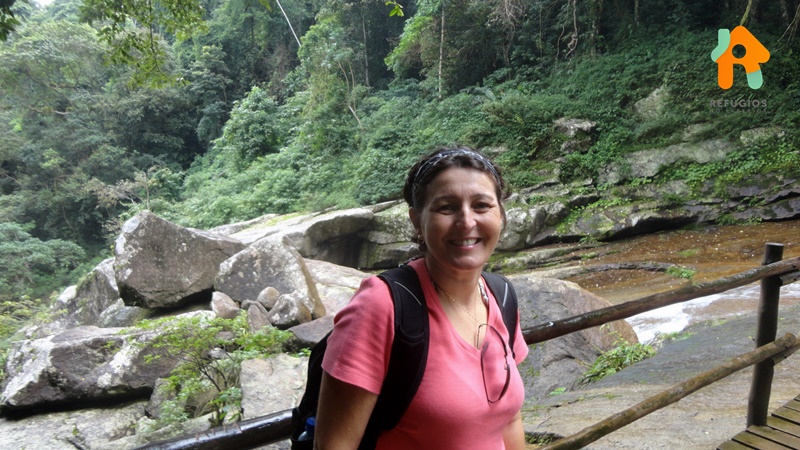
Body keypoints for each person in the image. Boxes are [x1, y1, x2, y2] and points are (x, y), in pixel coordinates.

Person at [315, 147, 528, 449]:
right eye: (446, 208)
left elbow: (510, 419)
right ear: (417, 221)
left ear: (501, 215)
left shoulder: (500, 296)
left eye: (481, 205)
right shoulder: (382, 305)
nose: (466, 222)